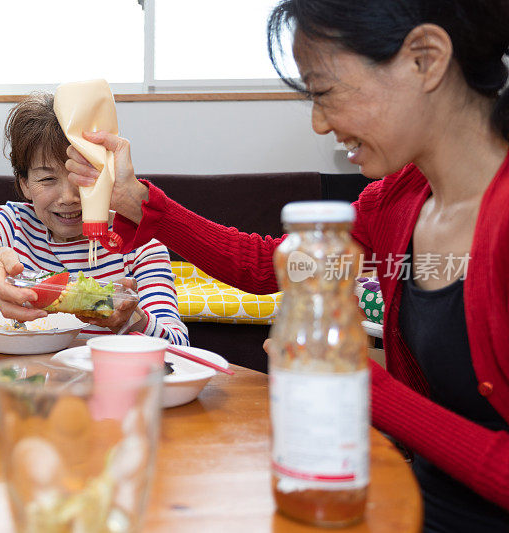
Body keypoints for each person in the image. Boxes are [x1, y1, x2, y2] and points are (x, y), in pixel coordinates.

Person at [63, 1, 509, 529]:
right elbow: (263, 265)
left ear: (425, 59)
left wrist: (367, 390)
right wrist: (136, 200)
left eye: (323, 92)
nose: (320, 123)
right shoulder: (397, 202)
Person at [0, 92, 188, 344]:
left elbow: (177, 344)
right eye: (47, 178)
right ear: (24, 185)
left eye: (83, 176)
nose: (68, 197)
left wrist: (130, 318)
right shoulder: (10, 225)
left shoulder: (141, 241)